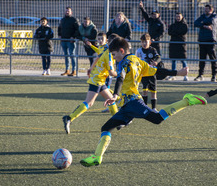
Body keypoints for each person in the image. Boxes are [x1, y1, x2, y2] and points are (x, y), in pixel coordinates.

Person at [80, 37, 207, 167]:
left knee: (157, 119)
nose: (113, 57)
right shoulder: (138, 61)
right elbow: (157, 71)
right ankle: (97, 157)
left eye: (114, 54)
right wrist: (177, 72)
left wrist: (115, 95)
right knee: (106, 128)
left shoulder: (123, 62)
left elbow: (120, 78)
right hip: (126, 106)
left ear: (122, 51)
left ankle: (187, 101)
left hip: (133, 102)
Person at [62, 34, 120, 134]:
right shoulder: (109, 53)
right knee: (89, 102)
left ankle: (119, 121)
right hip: (97, 79)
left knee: (111, 99)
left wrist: (91, 68)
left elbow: (97, 57)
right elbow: (111, 72)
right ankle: (69, 118)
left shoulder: (105, 48)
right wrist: (120, 74)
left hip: (99, 78)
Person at [135, 33, 162, 110]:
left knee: (153, 92)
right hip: (143, 74)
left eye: (146, 42)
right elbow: (136, 61)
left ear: (150, 42)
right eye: (142, 42)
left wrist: (156, 62)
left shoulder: (152, 50)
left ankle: (154, 108)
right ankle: (145, 107)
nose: (144, 43)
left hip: (152, 73)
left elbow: (158, 57)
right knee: (144, 91)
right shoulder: (138, 51)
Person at [194, 4, 217, 82]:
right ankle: (200, 74)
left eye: (207, 9)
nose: (205, 11)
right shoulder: (203, 16)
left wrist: (202, 23)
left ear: (211, 10)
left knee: (212, 58)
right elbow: (195, 23)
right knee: (202, 59)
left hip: (210, 40)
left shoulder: (215, 16)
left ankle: (214, 75)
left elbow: (211, 22)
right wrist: (204, 26)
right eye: (205, 9)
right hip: (202, 40)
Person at [58, 7, 80, 76]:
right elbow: (59, 28)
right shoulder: (62, 20)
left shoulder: (74, 20)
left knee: (72, 55)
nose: (67, 12)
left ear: (71, 12)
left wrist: (73, 37)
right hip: (63, 40)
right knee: (66, 55)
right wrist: (59, 35)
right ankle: (67, 70)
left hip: (70, 41)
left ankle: (74, 70)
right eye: (66, 11)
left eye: (68, 11)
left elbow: (78, 29)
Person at [168, 12, 188, 81]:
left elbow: (182, 32)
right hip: (173, 45)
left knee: (183, 60)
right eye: (176, 16)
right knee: (173, 60)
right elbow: (169, 32)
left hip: (181, 45)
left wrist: (175, 33)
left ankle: (185, 75)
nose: (178, 18)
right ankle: (173, 75)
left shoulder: (184, 25)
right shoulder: (173, 25)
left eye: (179, 16)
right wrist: (176, 33)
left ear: (182, 17)